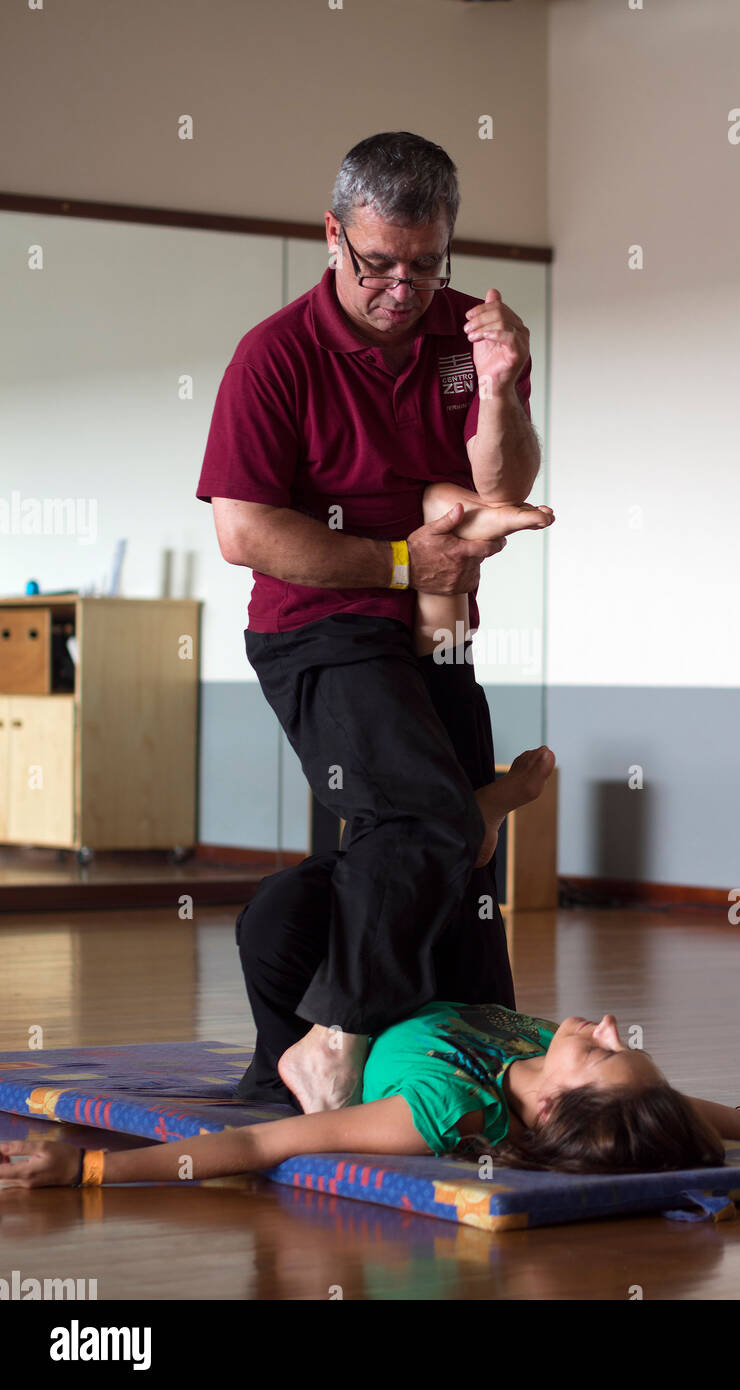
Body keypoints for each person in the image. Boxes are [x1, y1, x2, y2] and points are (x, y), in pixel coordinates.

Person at [196, 130, 545, 1110]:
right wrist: (400, 560)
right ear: (333, 235)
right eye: (377, 262)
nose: (402, 286)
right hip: (321, 631)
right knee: (428, 814)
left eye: (425, 264)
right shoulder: (276, 356)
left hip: (439, 629)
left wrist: (506, 387)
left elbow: (500, 483)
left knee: (462, 847)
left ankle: (487, 1057)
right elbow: (244, 531)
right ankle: (330, 1041)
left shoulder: (462, 339)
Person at [4, 1006, 740, 1188]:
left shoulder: (437, 1111)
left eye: (598, 1055)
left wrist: (87, 1167)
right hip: (440, 972)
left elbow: (264, 1151)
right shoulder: (621, 1102)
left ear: (551, 1111)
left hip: (337, 1017)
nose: (607, 1030)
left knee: (284, 917)